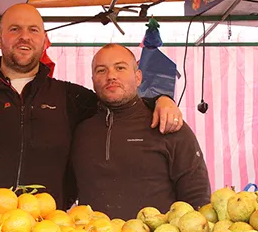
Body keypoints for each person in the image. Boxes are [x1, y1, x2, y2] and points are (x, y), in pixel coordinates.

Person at [0, 4, 183, 209]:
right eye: (15, 29)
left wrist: (160, 99)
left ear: (45, 41)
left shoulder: (68, 96)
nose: (25, 37)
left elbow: (116, 101)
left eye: (33, 30)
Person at [69, 44, 211, 219]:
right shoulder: (81, 130)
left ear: (138, 77)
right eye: (101, 70)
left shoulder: (166, 123)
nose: (111, 76)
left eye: (120, 68)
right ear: (93, 80)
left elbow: (197, 195)